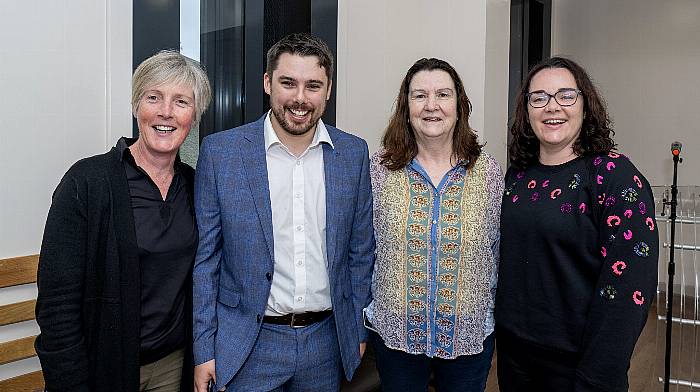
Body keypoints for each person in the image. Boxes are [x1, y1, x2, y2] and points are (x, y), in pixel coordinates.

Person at [192, 33, 375, 392]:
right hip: (246, 344)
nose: (300, 98)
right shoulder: (221, 154)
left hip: (326, 344)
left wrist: (356, 328)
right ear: (267, 83)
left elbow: (360, 252)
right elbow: (205, 262)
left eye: (313, 86)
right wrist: (203, 349)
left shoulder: (353, 154)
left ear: (328, 90)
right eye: (288, 83)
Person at [35, 50, 212, 392]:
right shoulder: (87, 182)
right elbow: (57, 306)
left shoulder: (196, 186)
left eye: (181, 102)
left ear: (194, 115)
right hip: (103, 369)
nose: (166, 112)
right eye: (153, 97)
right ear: (135, 107)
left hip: (175, 367)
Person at [496, 56, 658, 391]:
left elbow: (629, 291)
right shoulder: (517, 176)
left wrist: (597, 376)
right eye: (539, 98)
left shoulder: (614, 177)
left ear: (585, 104)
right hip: (514, 355)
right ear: (526, 110)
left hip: (579, 365)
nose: (552, 107)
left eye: (566, 95)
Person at [364, 58, 503, 392]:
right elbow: (361, 248)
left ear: (459, 105)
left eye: (443, 94)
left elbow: (499, 250)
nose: (431, 106)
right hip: (396, 336)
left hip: (468, 336)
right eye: (419, 96)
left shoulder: (489, 173)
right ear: (405, 106)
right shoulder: (378, 171)